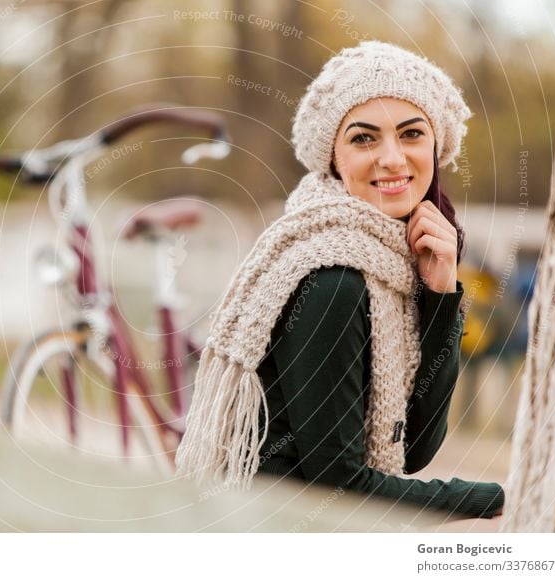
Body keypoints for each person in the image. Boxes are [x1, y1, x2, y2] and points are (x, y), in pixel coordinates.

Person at [175, 40, 504, 519]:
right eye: (364, 138)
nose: (392, 159)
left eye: (411, 134)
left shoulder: (395, 267)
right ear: (334, 159)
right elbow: (339, 487)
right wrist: (495, 500)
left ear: (436, 147)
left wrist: (440, 294)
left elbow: (414, 448)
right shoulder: (332, 280)